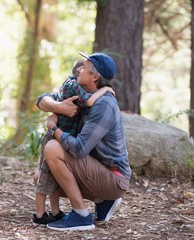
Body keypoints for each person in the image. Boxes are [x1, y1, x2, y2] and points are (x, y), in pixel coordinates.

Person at [36, 52, 131, 231]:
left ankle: (81, 216)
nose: (79, 69)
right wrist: (58, 107)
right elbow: (41, 100)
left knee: (52, 149)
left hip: (113, 178)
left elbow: (79, 149)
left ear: (94, 76)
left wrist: (54, 129)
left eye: (84, 68)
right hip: (96, 170)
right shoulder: (79, 93)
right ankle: (102, 201)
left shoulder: (103, 105)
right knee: (39, 178)